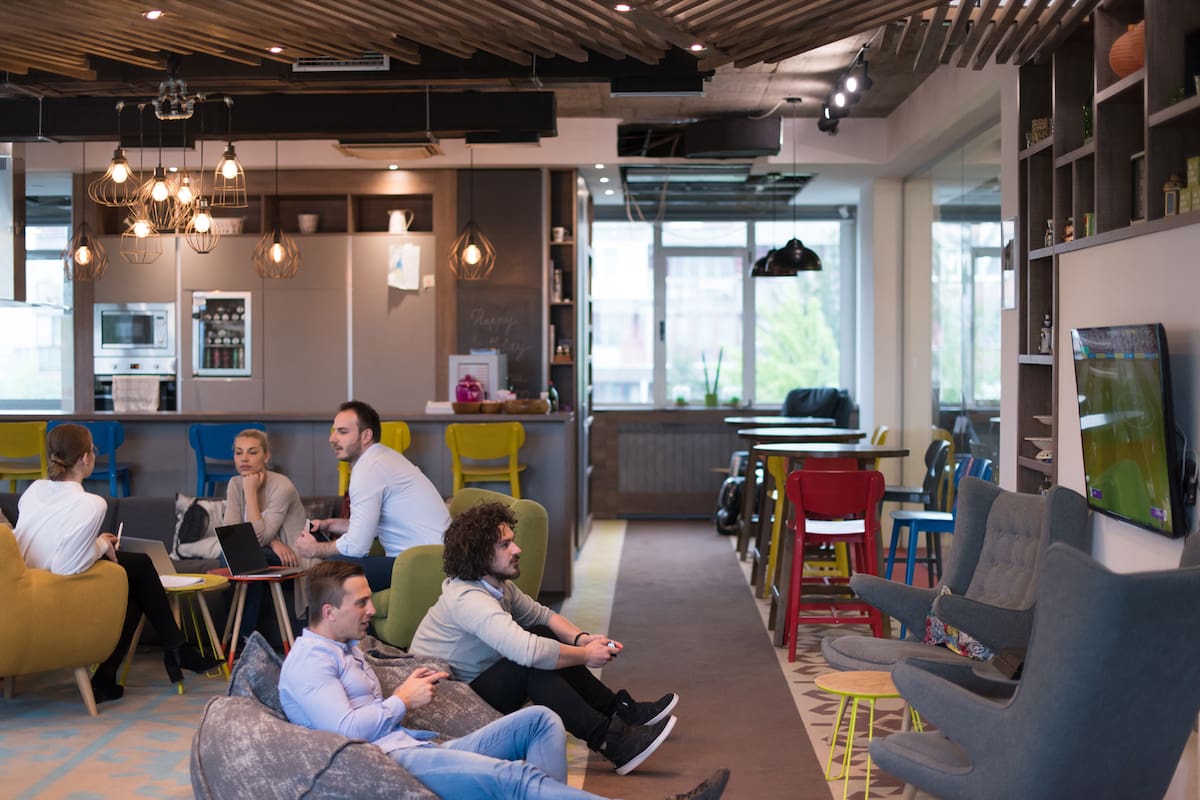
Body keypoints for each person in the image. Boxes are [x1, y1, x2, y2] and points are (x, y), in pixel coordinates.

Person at [279, 560, 729, 800]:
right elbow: (346, 733)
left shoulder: (344, 647)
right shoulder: (308, 664)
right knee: (518, 780)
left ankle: (615, 723)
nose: (372, 610)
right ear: (327, 612)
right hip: (389, 762)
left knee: (541, 720)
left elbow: (540, 623)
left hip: (416, 745)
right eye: (361, 604)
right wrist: (401, 699)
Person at [410, 502, 679, 775]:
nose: (517, 549)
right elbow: (529, 652)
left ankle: (618, 712)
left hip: (468, 689)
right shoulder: (468, 600)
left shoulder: (496, 587)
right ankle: (612, 741)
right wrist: (587, 656)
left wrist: (581, 639)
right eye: (505, 545)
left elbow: (542, 617)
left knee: (542, 636)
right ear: (480, 556)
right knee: (528, 666)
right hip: (446, 709)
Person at [13, 423, 223, 702]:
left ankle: (114, 674)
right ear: (86, 458)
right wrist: (101, 545)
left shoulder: (35, 489)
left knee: (136, 570)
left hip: (25, 585)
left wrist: (98, 544)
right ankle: (175, 650)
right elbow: (64, 565)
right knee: (135, 573)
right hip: (55, 594)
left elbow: (50, 543)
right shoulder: (91, 504)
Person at [296, 400, 449, 591]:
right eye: (334, 431)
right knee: (337, 568)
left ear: (366, 435)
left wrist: (317, 549)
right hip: (431, 559)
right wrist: (332, 524)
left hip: (423, 564)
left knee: (330, 573)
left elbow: (357, 547)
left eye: (342, 432)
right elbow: (370, 526)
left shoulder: (368, 469)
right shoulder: (382, 458)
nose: (332, 439)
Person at [223, 428, 313, 628]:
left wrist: (250, 492)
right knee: (232, 556)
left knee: (248, 559)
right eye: (239, 452)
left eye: (252, 452)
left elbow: (257, 539)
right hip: (269, 552)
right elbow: (232, 536)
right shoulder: (234, 484)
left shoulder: (282, 486)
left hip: (293, 556)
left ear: (266, 456)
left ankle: (244, 636)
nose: (244, 458)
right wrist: (274, 542)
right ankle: (239, 635)